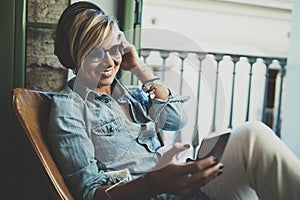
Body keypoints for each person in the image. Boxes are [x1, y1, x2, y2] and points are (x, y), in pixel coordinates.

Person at [47, 1, 300, 200]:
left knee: (250, 135)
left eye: (114, 49)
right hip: (160, 194)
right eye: (95, 53)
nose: (109, 62)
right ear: (74, 58)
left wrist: (138, 66)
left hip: (185, 184)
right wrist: (154, 183)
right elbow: (89, 194)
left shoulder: (131, 95)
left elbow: (176, 120)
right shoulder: (69, 108)